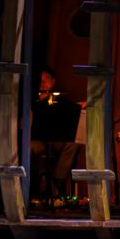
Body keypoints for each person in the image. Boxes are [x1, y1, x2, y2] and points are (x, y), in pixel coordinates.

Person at [30, 68, 80, 206]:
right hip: (37, 141)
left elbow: (72, 108)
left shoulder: (58, 100)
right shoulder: (30, 98)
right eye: (40, 80)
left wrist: (80, 106)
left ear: (52, 82)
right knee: (28, 148)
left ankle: (56, 183)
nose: (42, 83)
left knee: (73, 144)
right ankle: (34, 190)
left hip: (55, 141)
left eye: (46, 80)